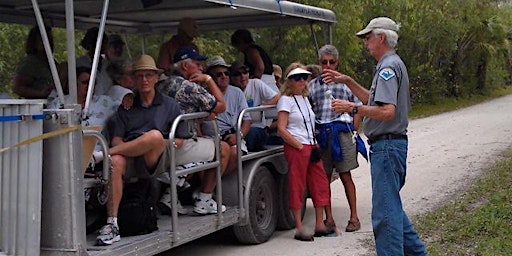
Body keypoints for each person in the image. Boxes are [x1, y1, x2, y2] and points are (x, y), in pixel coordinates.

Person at [329, 17, 428, 255]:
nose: (365, 42)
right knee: (392, 209)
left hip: (386, 147)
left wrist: (352, 108)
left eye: (368, 37)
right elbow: (373, 100)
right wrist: (349, 82)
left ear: (381, 37)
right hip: (391, 146)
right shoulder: (391, 64)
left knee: (385, 216)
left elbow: (386, 111)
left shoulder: (387, 68)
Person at [95, 55, 213, 245]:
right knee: (115, 161)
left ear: (156, 78)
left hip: (156, 159)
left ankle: (101, 155)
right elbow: (116, 140)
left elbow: (180, 139)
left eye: (149, 75)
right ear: (134, 79)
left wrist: (151, 142)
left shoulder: (170, 105)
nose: (144, 80)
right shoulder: (127, 105)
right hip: (130, 157)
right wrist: (137, 144)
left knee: (155, 136)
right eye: (140, 76)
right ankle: (112, 223)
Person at [157, 46, 231, 215]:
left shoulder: (161, 84)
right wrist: (208, 79)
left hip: (160, 144)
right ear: (185, 66)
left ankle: (170, 196)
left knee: (201, 141)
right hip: (178, 146)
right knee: (222, 149)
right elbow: (221, 106)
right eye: (197, 64)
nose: (201, 68)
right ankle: (204, 200)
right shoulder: (189, 87)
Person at [309, 44, 364, 233]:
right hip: (322, 135)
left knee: (345, 174)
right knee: (323, 178)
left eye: (332, 62)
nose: (328, 66)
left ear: (337, 63)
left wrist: (354, 128)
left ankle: (354, 217)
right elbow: (310, 111)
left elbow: (359, 105)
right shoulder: (312, 86)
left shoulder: (345, 83)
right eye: (324, 62)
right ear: (320, 63)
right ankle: (329, 218)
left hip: (342, 132)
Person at [276, 63, 335, 241]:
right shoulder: (285, 100)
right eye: (297, 78)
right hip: (298, 146)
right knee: (297, 184)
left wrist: (313, 144)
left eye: (304, 77)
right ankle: (299, 227)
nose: (302, 81)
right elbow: (282, 128)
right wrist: (300, 146)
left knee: (320, 182)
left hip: (311, 144)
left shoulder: (304, 99)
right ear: (289, 81)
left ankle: (319, 223)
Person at [205, 56, 251, 174]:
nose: (224, 76)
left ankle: (212, 186)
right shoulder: (202, 93)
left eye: (226, 73)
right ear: (210, 77)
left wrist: (238, 135)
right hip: (209, 139)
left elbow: (247, 119)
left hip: (232, 136)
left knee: (235, 154)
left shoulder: (237, 92)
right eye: (219, 74)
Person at [229, 61, 279, 152]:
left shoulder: (256, 83)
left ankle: (240, 155)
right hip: (235, 129)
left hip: (257, 128)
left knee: (251, 133)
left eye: (245, 72)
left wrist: (261, 107)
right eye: (237, 74)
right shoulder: (230, 91)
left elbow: (278, 97)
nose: (242, 76)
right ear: (231, 78)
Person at [12, 25, 56, 99]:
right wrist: (40, 94)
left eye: (50, 39)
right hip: (34, 107)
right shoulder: (30, 63)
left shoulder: (50, 62)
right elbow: (17, 87)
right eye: (44, 39)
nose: (49, 43)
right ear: (34, 41)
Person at [76, 27, 112, 95]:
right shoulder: (79, 64)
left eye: (104, 42)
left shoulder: (108, 65)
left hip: (108, 103)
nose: (103, 46)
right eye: (100, 42)